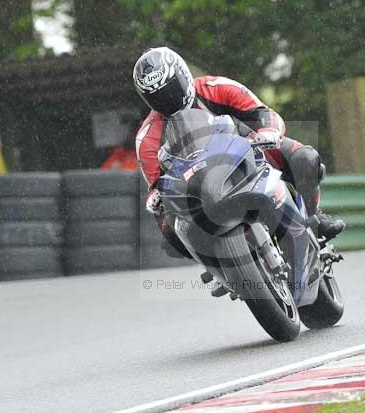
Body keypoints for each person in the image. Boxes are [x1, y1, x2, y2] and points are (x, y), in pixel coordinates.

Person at [133, 46, 345, 258]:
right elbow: (157, 186)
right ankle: (218, 263)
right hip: (199, 190)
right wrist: (156, 197)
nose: (168, 99)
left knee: (305, 159)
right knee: (169, 233)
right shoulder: (147, 137)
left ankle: (313, 216)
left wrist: (268, 132)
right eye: (157, 97)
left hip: (248, 154)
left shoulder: (216, 87)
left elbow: (262, 112)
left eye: (172, 89)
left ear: (183, 74)